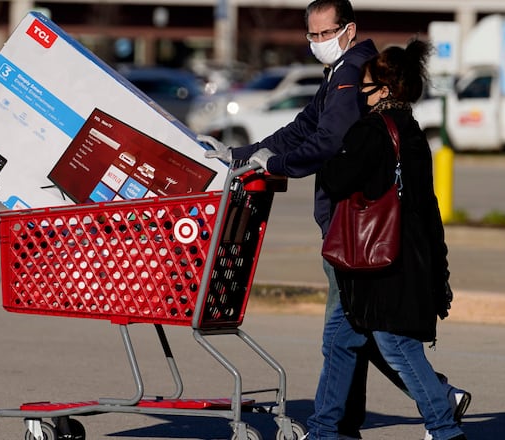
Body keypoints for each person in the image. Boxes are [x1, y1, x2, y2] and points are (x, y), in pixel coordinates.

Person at [198, 1, 469, 439]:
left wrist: (274, 165)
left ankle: (434, 413)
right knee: (351, 339)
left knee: (378, 339)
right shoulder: (380, 102)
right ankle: (335, 427)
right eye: (312, 35)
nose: (317, 43)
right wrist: (244, 155)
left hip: (360, 240)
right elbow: (304, 126)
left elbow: (328, 148)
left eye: (324, 34)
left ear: (349, 30)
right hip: (372, 240)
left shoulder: (354, 81)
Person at [309, 38, 468, 440]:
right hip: (406, 255)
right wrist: (439, 269)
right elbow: (428, 205)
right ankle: (325, 430)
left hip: (374, 263)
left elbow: (336, 179)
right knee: (341, 340)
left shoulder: (370, 132)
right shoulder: (412, 132)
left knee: (397, 345)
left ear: (383, 90)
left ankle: (445, 428)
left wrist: (333, 146)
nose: (359, 97)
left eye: (364, 89)